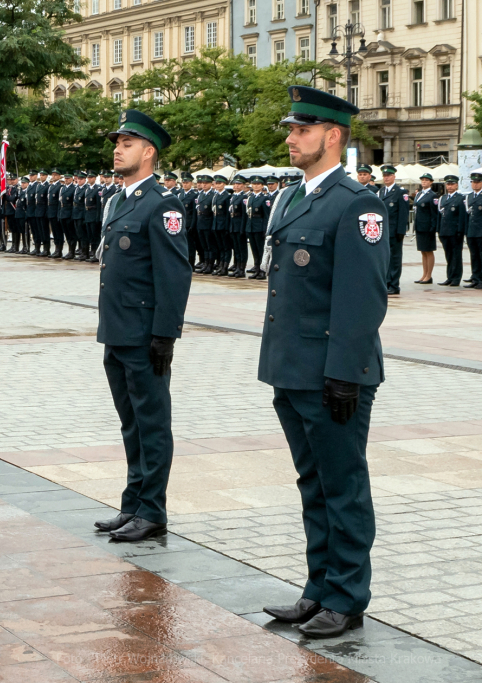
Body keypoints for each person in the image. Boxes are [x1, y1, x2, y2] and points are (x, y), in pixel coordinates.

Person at [260, 86, 388, 639]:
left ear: (332, 136)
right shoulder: (291, 198)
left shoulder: (357, 203)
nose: (290, 138)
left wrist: (344, 373)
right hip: (291, 367)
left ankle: (347, 596)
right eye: (291, 129)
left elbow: (362, 299)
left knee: (343, 486)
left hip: (332, 374)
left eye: (301, 130)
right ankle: (319, 588)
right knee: (312, 483)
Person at [92, 110, 191, 542]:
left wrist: (164, 335)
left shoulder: (162, 204)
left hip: (144, 335)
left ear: (148, 152)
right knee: (131, 423)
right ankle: (133, 503)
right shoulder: (120, 201)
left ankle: (152, 510)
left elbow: (174, 274)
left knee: (151, 423)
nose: (118, 149)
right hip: (117, 331)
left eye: (127, 143)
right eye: (117, 142)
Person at [377, 165, 409, 295]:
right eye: (384, 176)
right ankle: (386, 282)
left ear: (394, 176)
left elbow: (403, 213)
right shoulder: (381, 192)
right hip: (383, 231)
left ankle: (394, 285)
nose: (386, 178)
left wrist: (401, 231)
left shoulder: (400, 192)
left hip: (394, 231)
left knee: (395, 258)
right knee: (385, 258)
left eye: (389, 175)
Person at [437, 175, 466, 286]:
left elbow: (461, 216)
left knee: (456, 255)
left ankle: (456, 278)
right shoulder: (443, 198)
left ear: (456, 185)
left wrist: (460, 231)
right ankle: (449, 276)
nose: (449, 186)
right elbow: (440, 215)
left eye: (452, 184)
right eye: (448, 184)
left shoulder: (460, 198)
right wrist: (438, 230)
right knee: (448, 255)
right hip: (444, 231)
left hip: (455, 232)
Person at [413, 173, 439, 284]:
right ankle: (424, 274)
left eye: (426, 180)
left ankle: (429, 275)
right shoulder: (419, 194)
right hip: (419, 226)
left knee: (429, 251)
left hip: (428, 227)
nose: (424, 182)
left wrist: (433, 228)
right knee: (423, 251)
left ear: (431, 182)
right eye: (422, 180)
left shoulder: (433, 195)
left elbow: (434, 213)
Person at [245, 176, 270, 280]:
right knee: (254, 250)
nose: (256, 186)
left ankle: (262, 271)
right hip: (251, 226)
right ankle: (256, 269)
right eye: (254, 184)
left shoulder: (264, 198)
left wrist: (265, 229)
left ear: (262, 186)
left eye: (258, 184)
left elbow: (266, 215)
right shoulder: (250, 197)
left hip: (259, 226)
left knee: (260, 250)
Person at [464, 170, 482, 289]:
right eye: (473, 182)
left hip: (481, 232)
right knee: (474, 255)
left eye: (478, 182)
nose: (475, 184)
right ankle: (475, 278)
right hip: (471, 231)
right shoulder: (469, 196)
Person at [228, 175, 248, 278]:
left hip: (240, 224)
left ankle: (241, 269)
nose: (236, 186)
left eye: (239, 184)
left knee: (242, 248)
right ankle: (237, 267)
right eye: (235, 184)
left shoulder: (244, 197)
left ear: (244, 186)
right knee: (236, 248)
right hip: (233, 225)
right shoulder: (233, 196)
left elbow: (245, 215)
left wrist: (242, 228)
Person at [84, 171, 101, 262]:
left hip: (94, 215)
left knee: (95, 235)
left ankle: (96, 254)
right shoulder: (88, 189)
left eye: (91, 177)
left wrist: (98, 217)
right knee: (90, 235)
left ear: (95, 178)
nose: (89, 179)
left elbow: (98, 205)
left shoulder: (97, 189)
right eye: (88, 177)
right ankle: (93, 252)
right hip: (88, 214)